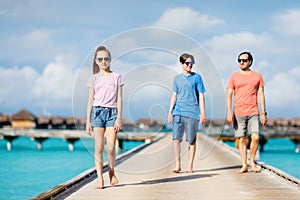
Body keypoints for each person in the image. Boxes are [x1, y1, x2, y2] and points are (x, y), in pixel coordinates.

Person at [86, 45, 123, 189]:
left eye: (106, 59)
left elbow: (119, 99)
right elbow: (90, 100)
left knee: (110, 147)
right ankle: (100, 178)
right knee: (99, 147)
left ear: (110, 60)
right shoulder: (93, 79)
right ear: (96, 61)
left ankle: (112, 172)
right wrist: (88, 121)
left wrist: (119, 117)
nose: (103, 62)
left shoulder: (117, 77)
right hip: (96, 113)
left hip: (112, 113)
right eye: (100, 59)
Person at [226, 51, 267, 173]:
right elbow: (229, 95)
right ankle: (244, 164)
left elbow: (261, 94)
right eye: (239, 60)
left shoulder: (258, 76)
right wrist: (229, 112)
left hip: (254, 111)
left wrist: (264, 113)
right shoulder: (233, 77)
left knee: (255, 137)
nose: (241, 62)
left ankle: (252, 161)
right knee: (241, 139)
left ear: (250, 62)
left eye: (244, 60)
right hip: (238, 112)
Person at [167, 53, 206, 173]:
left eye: (191, 63)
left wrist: (203, 113)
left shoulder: (197, 78)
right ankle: (178, 164)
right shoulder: (177, 79)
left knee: (191, 140)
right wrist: (170, 112)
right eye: (187, 63)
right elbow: (174, 96)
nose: (190, 65)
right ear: (181, 64)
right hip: (178, 112)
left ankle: (190, 166)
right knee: (176, 139)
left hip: (193, 113)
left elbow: (201, 95)